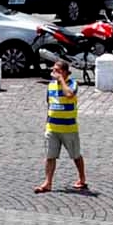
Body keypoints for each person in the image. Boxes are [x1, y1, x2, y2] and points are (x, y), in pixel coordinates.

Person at [35, 57, 89, 193]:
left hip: (68, 128)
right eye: (53, 70)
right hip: (52, 127)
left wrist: (61, 81)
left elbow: (69, 95)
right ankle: (48, 182)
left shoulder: (72, 84)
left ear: (66, 73)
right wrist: (47, 122)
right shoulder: (50, 85)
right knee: (50, 156)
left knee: (75, 155)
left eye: (58, 70)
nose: (54, 72)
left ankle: (82, 178)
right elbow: (50, 103)